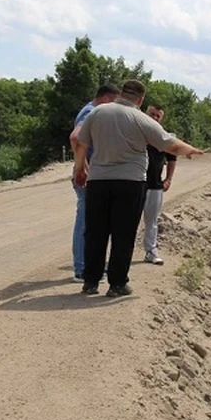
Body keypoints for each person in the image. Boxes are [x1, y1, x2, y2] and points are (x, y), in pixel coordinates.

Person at [72, 80, 203, 297]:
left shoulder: (97, 113)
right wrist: (191, 149)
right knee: (123, 234)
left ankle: (90, 281)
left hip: (98, 181)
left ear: (121, 93)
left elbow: (79, 141)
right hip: (130, 183)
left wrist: (79, 169)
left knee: (96, 232)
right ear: (141, 100)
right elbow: (170, 144)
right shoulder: (141, 119)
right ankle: (117, 284)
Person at [69, 84, 120, 282]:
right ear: (106, 99)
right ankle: (81, 268)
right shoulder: (91, 112)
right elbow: (75, 137)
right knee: (85, 223)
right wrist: (82, 166)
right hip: (86, 178)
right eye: (114, 102)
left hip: (90, 176)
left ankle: (90, 264)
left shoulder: (90, 110)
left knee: (92, 222)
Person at [141, 104, 176, 266]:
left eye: (158, 116)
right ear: (145, 113)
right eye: (152, 114)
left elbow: (172, 158)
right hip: (134, 183)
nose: (154, 118)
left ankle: (151, 251)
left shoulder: (164, 136)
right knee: (126, 221)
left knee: (152, 221)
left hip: (155, 185)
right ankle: (117, 257)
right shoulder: (137, 132)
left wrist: (168, 178)